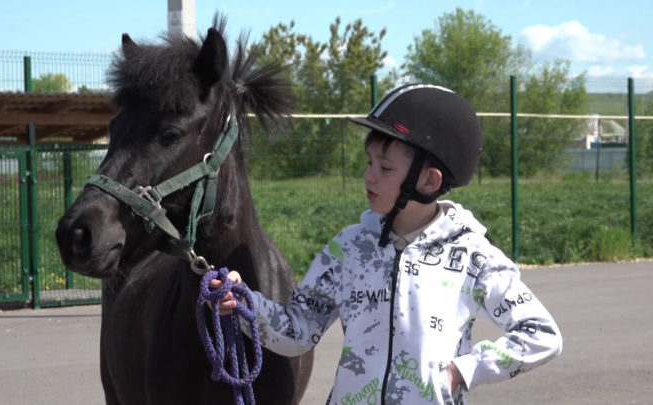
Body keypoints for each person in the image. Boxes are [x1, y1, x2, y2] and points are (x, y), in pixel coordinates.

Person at [209, 83, 562, 405]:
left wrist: (463, 371)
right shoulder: (346, 249)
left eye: (385, 167)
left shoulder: (472, 257)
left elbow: (542, 334)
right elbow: (298, 331)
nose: (369, 175)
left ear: (428, 180)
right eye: (369, 162)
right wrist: (245, 304)